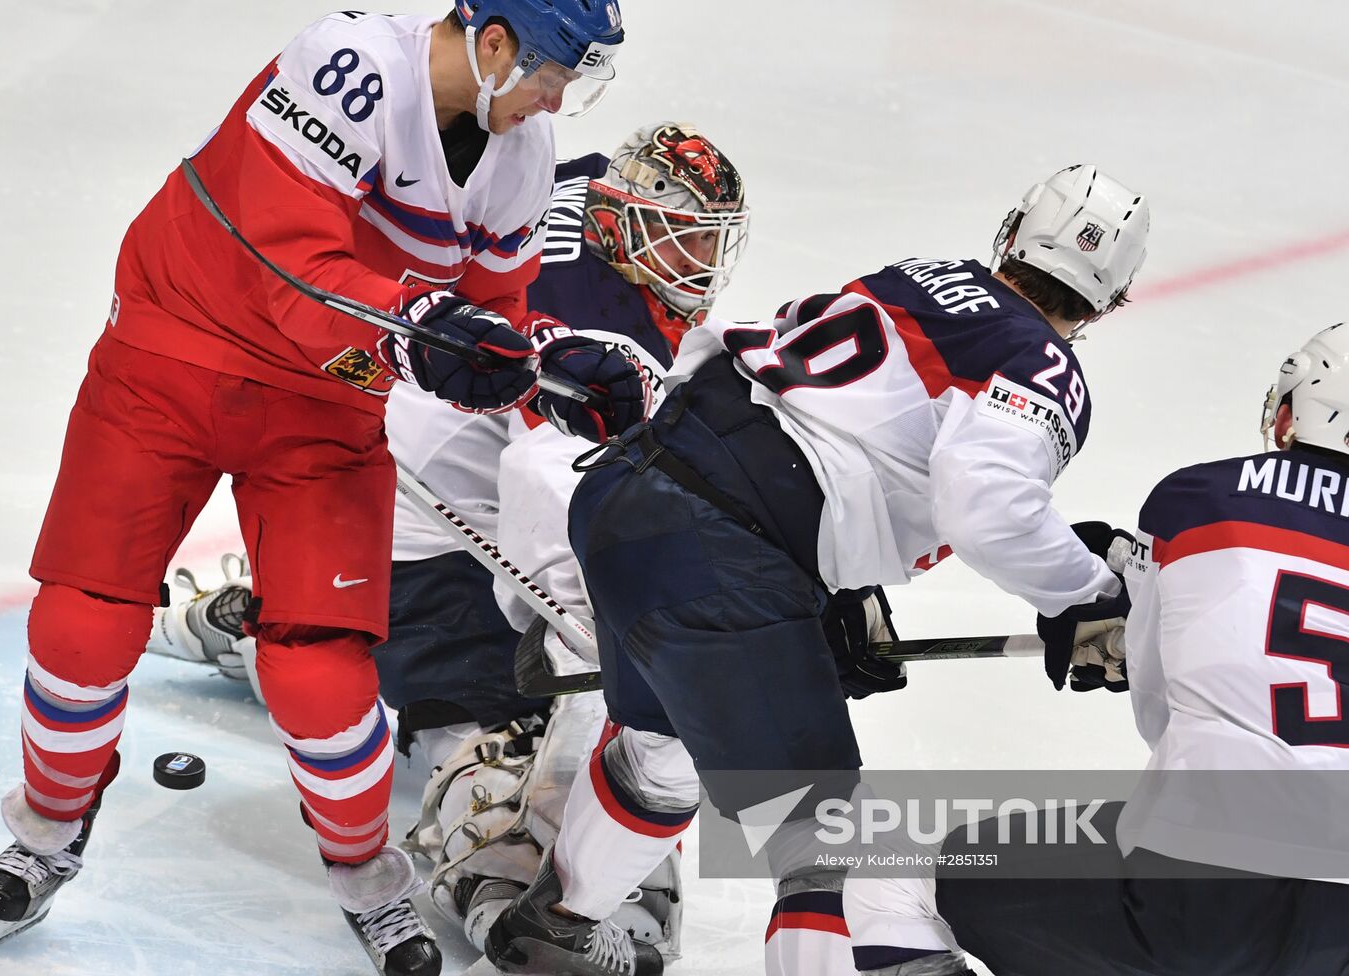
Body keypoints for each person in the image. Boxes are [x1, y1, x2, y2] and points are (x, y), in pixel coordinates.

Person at [0, 6, 649, 976]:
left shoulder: (521, 152)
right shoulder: (351, 62)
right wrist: (424, 329)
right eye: (552, 72)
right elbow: (288, 268)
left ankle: (369, 878)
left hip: (325, 402)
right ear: (494, 42)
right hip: (174, 350)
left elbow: (487, 322)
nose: (558, 101)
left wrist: (550, 365)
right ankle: (47, 829)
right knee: (82, 624)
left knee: (322, 675)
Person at [483, 165, 1151, 976]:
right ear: (1111, 303)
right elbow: (988, 506)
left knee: (662, 747)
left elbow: (819, 420)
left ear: (1009, 236)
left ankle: (556, 926)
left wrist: (830, 585)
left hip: (632, 492)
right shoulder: (1039, 362)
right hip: (725, 555)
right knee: (833, 847)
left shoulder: (911, 279)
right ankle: (563, 921)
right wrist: (1083, 596)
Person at [847, 324, 1349, 976]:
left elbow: (1162, 713)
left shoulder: (1198, 500)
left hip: (1200, 895)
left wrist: (1118, 635)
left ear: (1287, 415)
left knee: (895, 879)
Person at [381, 121, 749, 975]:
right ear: (627, 226)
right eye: (682, 236)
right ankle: (503, 890)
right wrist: (595, 633)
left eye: (708, 240)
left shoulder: (579, 189)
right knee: (491, 735)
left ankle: (284, 614)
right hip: (422, 553)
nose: (697, 260)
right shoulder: (604, 329)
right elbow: (548, 477)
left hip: (402, 484)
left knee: (570, 706)